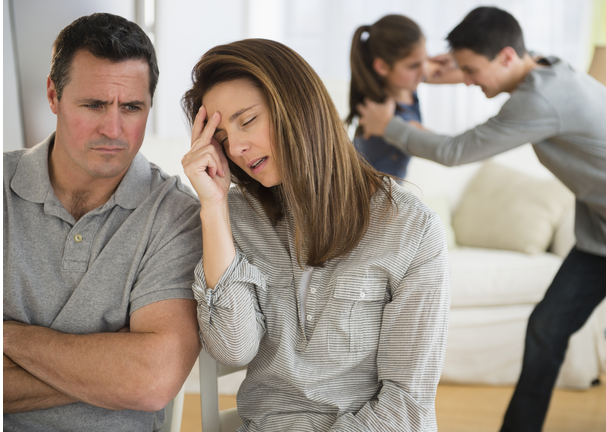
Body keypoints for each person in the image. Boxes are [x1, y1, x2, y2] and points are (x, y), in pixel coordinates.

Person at [356, 6, 606, 432]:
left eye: (473, 70)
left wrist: (389, 126)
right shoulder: (546, 69)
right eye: (465, 69)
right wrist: (460, 68)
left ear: (509, 56)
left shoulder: (541, 99)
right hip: (605, 236)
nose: (469, 80)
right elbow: (495, 72)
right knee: (547, 329)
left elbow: (455, 152)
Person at [181, 38, 451, 431]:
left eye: (248, 120)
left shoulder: (412, 228)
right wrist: (214, 207)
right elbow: (233, 347)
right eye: (221, 139)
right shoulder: (232, 217)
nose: (237, 148)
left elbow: (406, 405)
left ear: (298, 106)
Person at [3, 13, 202, 431]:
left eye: (131, 107)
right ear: (54, 96)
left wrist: (4, 337)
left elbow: (152, 381)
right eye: (94, 105)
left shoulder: (175, 215)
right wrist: (111, 371)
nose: (113, 129)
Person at [346, 14, 427, 179]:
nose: (424, 72)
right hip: (372, 203)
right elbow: (444, 149)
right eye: (414, 66)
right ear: (382, 66)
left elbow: (432, 70)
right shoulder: (387, 116)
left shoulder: (405, 87)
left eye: (426, 59)